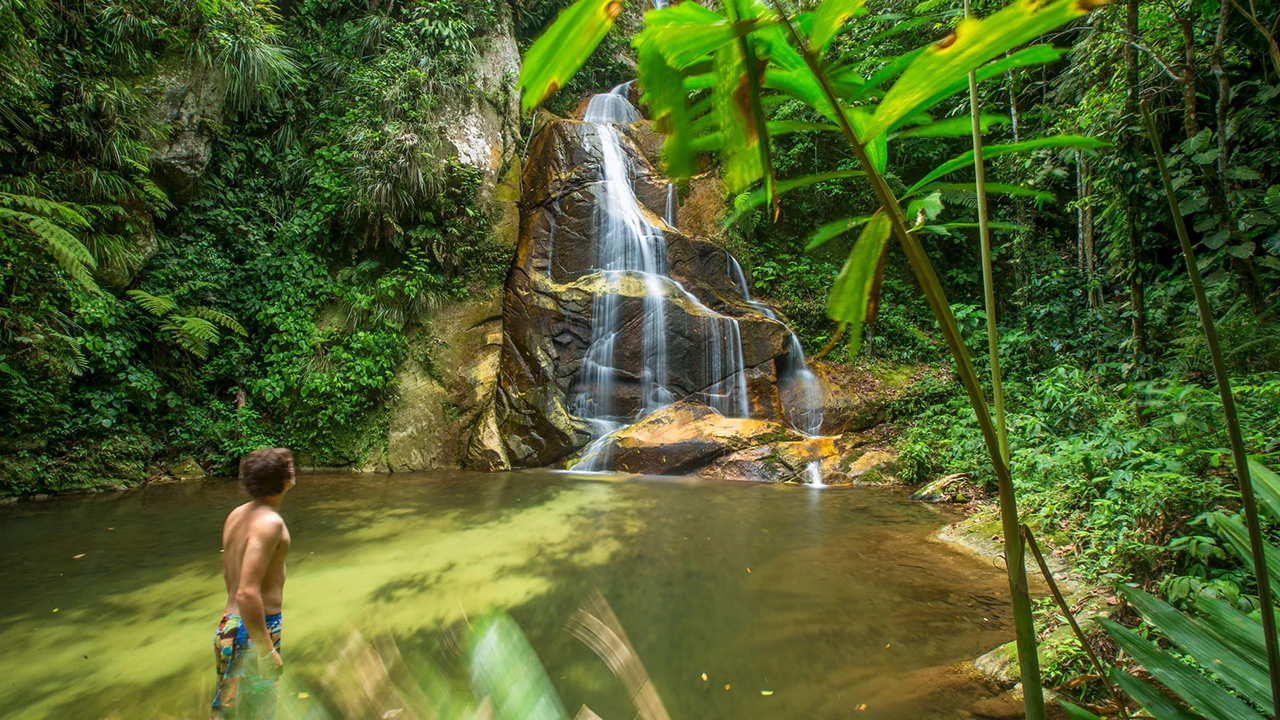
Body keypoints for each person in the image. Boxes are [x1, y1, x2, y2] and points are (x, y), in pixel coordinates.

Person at [211, 448, 295, 719]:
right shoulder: (269, 523)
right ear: (281, 480)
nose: (294, 469)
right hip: (254, 631)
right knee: (256, 714)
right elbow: (247, 592)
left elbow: (229, 577)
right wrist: (265, 649)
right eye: (290, 466)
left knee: (227, 711)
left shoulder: (237, 515)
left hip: (229, 626)